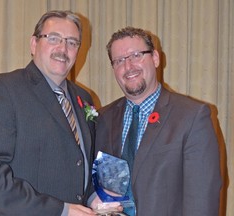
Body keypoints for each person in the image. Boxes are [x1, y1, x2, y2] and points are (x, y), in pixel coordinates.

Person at [0, 10, 97, 216]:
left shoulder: (84, 98)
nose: (63, 48)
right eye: (54, 38)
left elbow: (79, 164)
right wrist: (60, 210)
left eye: (72, 42)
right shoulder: (4, 89)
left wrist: (93, 198)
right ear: (34, 44)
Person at [94, 27, 221, 216]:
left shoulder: (192, 117)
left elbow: (201, 202)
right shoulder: (103, 118)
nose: (128, 67)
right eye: (119, 61)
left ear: (155, 58)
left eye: (136, 55)